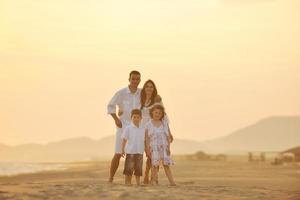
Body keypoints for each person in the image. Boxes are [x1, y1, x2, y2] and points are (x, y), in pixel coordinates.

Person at [107, 70, 141, 183]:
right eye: (133, 78)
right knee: (117, 153)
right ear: (129, 79)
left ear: (139, 80)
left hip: (137, 128)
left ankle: (137, 179)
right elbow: (110, 106)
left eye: (137, 79)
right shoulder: (121, 93)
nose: (135, 81)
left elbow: (152, 99)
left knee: (136, 154)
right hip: (123, 127)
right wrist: (116, 119)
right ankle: (111, 178)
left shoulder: (142, 93)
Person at [140, 79, 174, 184]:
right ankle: (147, 175)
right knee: (149, 155)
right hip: (144, 128)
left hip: (157, 129)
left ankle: (153, 179)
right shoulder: (139, 98)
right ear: (144, 88)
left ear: (154, 88)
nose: (149, 88)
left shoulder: (157, 99)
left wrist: (169, 131)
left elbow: (164, 116)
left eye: (151, 87)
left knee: (156, 156)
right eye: (147, 86)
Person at [145, 104, 176, 186]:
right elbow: (147, 138)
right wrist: (147, 149)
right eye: (156, 112)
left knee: (166, 165)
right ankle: (154, 181)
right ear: (152, 113)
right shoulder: (148, 124)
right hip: (154, 148)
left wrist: (168, 148)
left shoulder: (164, 123)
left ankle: (172, 182)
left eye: (159, 113)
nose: (157, 114)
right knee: (154, 166)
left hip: (164, 147)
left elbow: (168, 137)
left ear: (162, 115)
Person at [121, 109, 145, 186]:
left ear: (141, 118)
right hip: (130, 151)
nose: (136, 119)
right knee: (129, 168)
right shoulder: (128, 128)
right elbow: (124, 140)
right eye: (134, 117)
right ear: (131, 118)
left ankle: (138, 183)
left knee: (138, 168)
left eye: (138, 117)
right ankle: (127, 182)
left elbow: (145, 140)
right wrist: (122, 150)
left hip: (139, 152)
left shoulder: (143, 129)